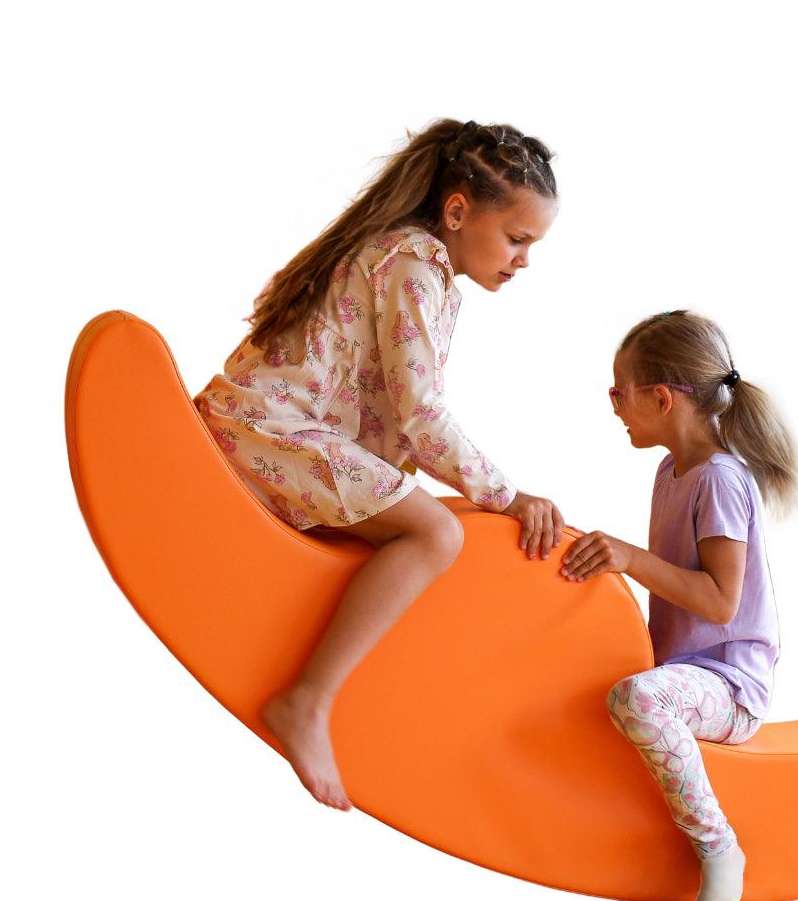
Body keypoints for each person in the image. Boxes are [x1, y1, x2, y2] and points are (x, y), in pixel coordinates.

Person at [195, 119, 563, 809]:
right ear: (458, 211)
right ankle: (307, 699)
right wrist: (508, 496)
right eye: (516, 239)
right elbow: (421, 415)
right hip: (265, 430)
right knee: (436, 533)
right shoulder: (414, 262)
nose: (523, 261)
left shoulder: (417, 264)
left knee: (420, 519)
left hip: (273, 426)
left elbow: (395, 413)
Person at [559, 310, 798, 901]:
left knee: (638, 700)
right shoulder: (671, 470)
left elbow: (720, 600)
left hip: (729, 684)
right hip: (683, 669)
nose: (613, 404)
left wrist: (630, 559)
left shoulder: (719, 480)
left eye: (619, 391)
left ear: (662, 397)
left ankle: (718, 846)